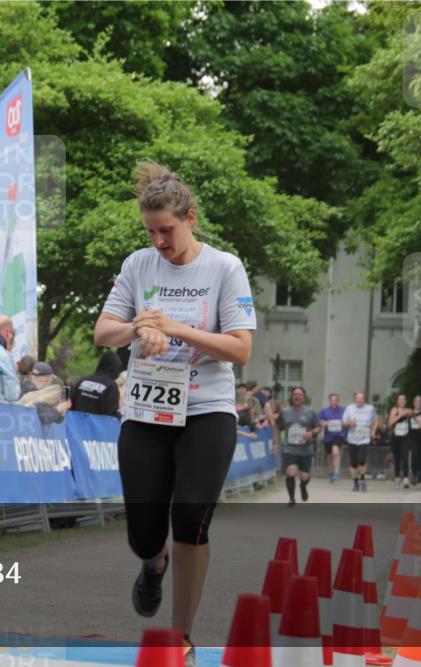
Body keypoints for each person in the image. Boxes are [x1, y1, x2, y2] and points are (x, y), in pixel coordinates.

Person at [94, 161, 256, 665]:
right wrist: (138, 326)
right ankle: (154, 562)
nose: (159, 241)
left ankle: (181, 636)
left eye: (166, 230)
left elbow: (240, 349)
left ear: (190, 218)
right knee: (145, 532)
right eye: (150, 232)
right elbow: (103, 331)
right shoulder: (139, 265)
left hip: (207, 408)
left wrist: (177, 329)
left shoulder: (224, 267)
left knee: (191, 519)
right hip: (147, 408)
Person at [276, 387, 320, 507]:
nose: (297, 396)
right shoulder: (284, 412)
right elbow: (277, 426)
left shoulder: (310, 412)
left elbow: (319, 426)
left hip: (306, 449)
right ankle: (291, 498)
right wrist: (275, 442)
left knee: (305, 476)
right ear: (292, 396)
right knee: (291, 472)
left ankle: (303, 486)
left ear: (303, 397)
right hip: (289, 448)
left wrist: (311, 433)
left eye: (299, 394)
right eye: (295, 394)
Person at [342, 392, 379, 492]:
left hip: (365, 438)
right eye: (357, 398)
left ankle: (362, 478)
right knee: (353, 462)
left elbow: (376, 419)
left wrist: (373, 431)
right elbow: (344, 423)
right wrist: (350, 423)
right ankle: (355, 482)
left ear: (364, 399)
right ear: (354, 399)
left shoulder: (370, 408)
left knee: (362, 459)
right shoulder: (349, 408)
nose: (359, 400)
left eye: (361, 398)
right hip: (352, 438)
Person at [71, 351, 122, 417]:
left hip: (77, 421)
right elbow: (111, 413)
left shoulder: (83, 380)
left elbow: (70, 403)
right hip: (97, 423)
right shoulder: (111, 386)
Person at [318, 393, 347, 483]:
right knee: (330, 455)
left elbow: (349, 420)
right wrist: (323, 423)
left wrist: (344, 423)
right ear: (329, 401)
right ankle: (331, 471)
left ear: (338, 401)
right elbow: (317, 420)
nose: (334, 402)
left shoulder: (344, 410)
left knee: (335, 451)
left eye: (335, 400)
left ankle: (336, 473)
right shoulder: (324, 411)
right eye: (332, 400)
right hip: (328, 436)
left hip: (339, 434)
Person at [388, 394, 412, 488]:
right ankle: (397, 478)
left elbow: (415, 418)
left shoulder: (408, 410)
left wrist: (412, 413)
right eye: (400, 400)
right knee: (397, 458)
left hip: (406, 437)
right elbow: (390, 423)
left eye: (403, 400)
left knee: (405, 456)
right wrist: (400, 415)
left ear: (406, 401)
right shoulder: (395, 410)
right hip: (396, 437)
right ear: (397, 401)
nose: (401, 401)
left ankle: (406, 478)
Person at [409, 395, 421, 485]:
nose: (418, 403)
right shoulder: (410, 413)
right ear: (413, 403)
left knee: (420, 456)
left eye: (419, 401)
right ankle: (413, 474)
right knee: (414, 454)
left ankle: (419, 473)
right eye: (416, 401)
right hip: (412, 437)